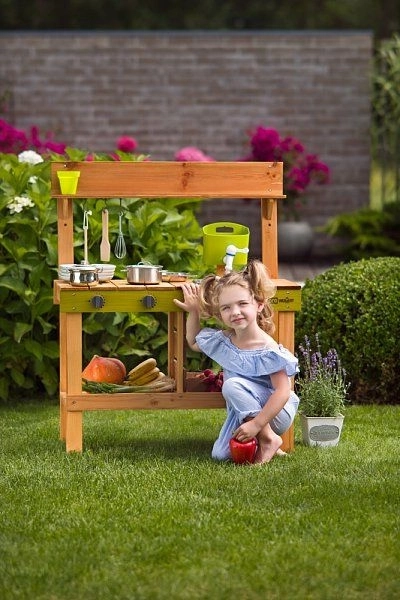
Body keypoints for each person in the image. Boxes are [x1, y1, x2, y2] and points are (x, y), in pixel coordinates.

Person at [174, 260, 299, 464]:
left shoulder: (267, 348)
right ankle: (263, 441)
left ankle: (269, 439)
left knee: (232, 385)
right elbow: (194, 342)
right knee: (220, 455)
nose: (235, 312)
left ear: (259, 304)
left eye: (242, 304)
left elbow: (283, 391)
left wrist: (256, 424)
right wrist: (194, 311)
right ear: (220, 314)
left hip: (274, 413)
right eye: (226, 307)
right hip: (243, 413)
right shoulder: (225, 342)